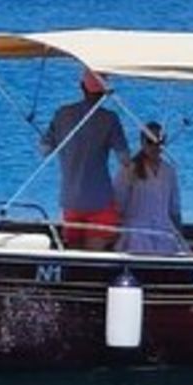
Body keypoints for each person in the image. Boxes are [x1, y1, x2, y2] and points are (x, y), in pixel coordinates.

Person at [40, 69, 130, 250]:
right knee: (94, 257)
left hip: (71, 200)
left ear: (82, 87)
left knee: (74, 255)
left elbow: (45, 150)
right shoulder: (109, 119)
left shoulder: (62, 114)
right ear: (104, 92)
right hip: (100, 200)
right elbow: (124, 159)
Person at [114, 122, 184, 254]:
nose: (155, 146)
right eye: (150, 142)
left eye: (159, 142)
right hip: (136, 231)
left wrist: (179, 236)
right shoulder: (129, 169)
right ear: (142, 142)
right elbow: (118, 203)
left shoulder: (169, 170)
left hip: (164, 230)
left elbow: (174, 208)